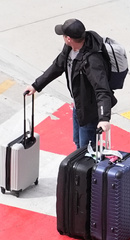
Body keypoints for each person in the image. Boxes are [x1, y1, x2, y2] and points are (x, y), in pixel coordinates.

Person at [24, 18, 115, 151]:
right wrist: (36, 86)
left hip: (89, 111)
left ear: (68, 38)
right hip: (78, 105)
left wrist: (104, 118)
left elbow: (102, 90)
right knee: (78, 142)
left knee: (87, 150)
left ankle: (88, 171)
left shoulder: (92, 60)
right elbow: (57, 66)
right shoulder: (70, 48)